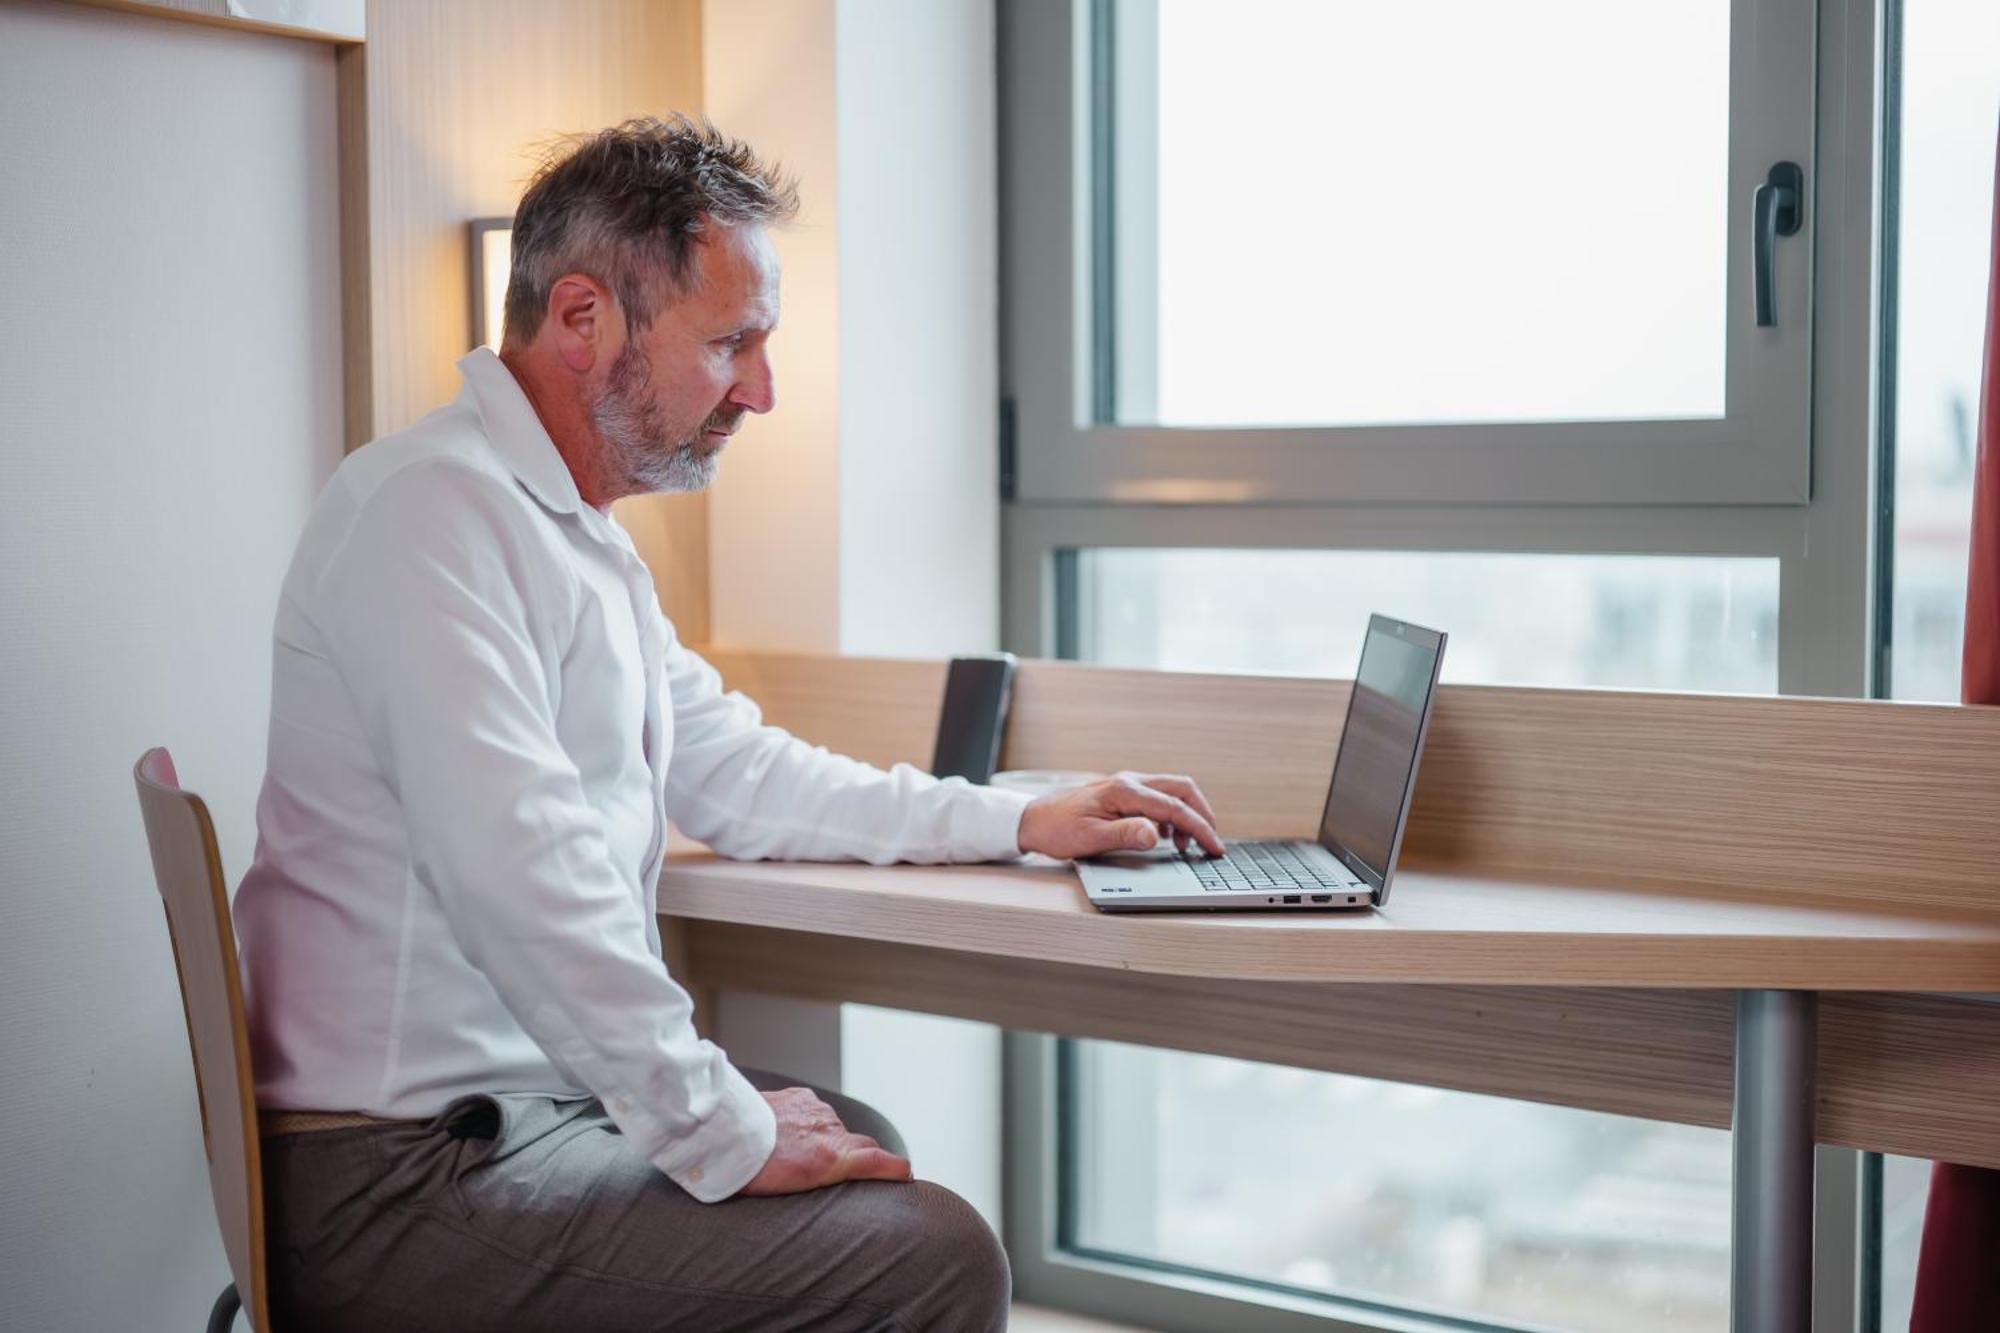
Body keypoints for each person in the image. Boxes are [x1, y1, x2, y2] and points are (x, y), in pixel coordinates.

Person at [232, 114, 1223, 1332]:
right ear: (583, 319)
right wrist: (714, 1126)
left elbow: (740, 771)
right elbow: (524, 876)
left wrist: (1018, 816)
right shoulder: (430, 519)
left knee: (868, 1154)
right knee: (929, 1254)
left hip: (507, 1113)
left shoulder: (566, 532)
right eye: (730, 344)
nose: (761, 389)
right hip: (397, 1177)